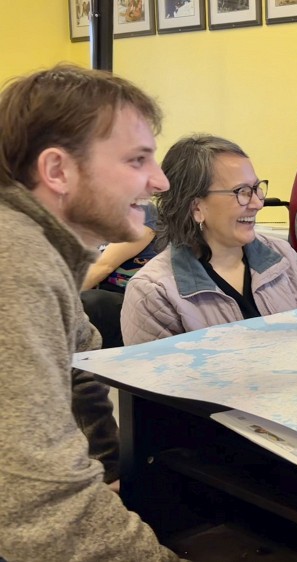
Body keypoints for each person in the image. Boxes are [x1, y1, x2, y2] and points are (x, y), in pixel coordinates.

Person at [0, 65, 181, 559]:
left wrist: (114, 473)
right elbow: (38, 505)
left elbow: (81, 363)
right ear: (58, 171)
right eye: (137, 159)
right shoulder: (16, 261)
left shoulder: (36, 246)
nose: (160, 181)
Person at [121, 135, 297, 345]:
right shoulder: (153, 292)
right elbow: (158, 367)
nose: (257, 203)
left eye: (256, 188)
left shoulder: (283, 256)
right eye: (241, 192)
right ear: (196, 207)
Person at [80, 202, 158, 348]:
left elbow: (104, 266)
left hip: (133, 300)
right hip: (103, 295)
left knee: (88, 303)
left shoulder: (142, 211)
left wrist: (62, 298)